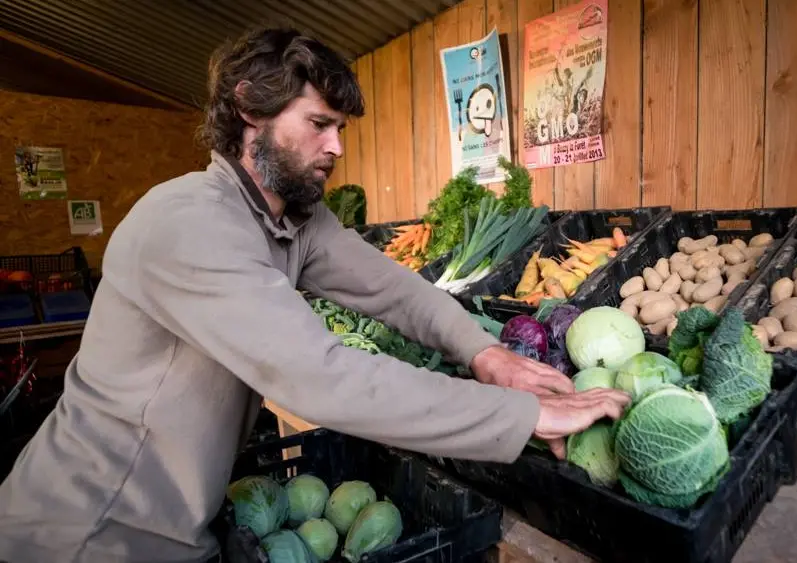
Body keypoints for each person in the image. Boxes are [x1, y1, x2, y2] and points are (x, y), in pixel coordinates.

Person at [0, 27, 631, 563]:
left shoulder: (295, 219)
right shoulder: (187, 223)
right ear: (249, 109)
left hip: (178, 522)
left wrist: (486, 355)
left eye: (340, 127)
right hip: (90, 530)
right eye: (319, 124)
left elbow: (398, 292)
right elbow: (325, 379)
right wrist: (525, 417)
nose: (336, 146)